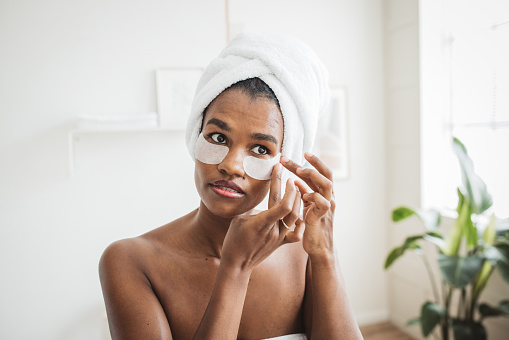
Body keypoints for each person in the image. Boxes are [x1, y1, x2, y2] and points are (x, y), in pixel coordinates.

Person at [99, 32, 363, 340]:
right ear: (195, 137)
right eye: (218, 138)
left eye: (260, 149)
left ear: (285, 163)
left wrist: (325, 254)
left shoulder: (303, 252)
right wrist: (235, 268)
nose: (232, 165)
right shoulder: (129, 262)